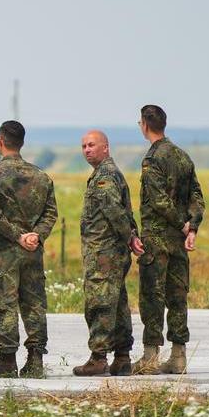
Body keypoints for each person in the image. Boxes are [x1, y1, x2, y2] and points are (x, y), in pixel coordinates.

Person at [0, 120, 57, 378]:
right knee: (34, 303)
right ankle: (35, 360)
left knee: (5, 303)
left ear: (1, 142)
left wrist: (17, 236)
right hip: (33, 251)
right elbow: (50, 213)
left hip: (5, 252)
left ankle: (7, 361)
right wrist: (36, 235)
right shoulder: (41, 176)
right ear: (22, 143)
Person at [133, 105, 205, 375]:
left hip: (157, 239)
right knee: (177, 297)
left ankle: (150, 357)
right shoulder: (182, 156)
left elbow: (158, 200)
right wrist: (192, 227)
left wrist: (183, 225)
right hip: (178, 242)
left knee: (152, 296)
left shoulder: (153, 159)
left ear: (145, 125)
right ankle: (178, 356)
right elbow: (196, 196)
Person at [73, 130, 142, 376]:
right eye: (84, 146)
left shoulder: (105, 176)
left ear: (106, 147)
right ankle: (122, 357)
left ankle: (99, 357)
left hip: (104, 253)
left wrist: (130, 237)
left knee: (100, 303)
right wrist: (131, 236)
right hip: (110, 251)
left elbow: (114, 210)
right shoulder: (108, 173)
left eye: (92, 145)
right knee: (118, 302)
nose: (87, 150)